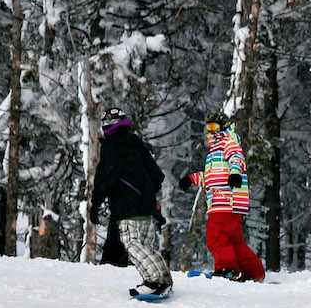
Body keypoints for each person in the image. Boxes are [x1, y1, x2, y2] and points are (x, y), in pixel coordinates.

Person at [89, 107, 173, 296]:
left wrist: (96, 203)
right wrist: (145, 192)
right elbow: (157, 176)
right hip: (148, 206)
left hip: (128, 207)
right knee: (146, 246)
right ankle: (163, 279)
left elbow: (105, 178)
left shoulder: (112, 147)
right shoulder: (137, 144)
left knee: (132, 243)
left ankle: (155, 281)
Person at [177, 110, 265, 282]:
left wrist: (235, 173)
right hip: (230, 205)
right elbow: (211, 176)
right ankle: (253, 271)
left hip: (225, 201)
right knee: (234, 241)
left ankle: (227, 269)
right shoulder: (214, 151)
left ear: (223, 127)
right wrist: (191, 179)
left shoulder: (229, 143)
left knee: (215, 237)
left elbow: (236, 159)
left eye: (214, 127)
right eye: (208, 127)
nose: (210, 131)